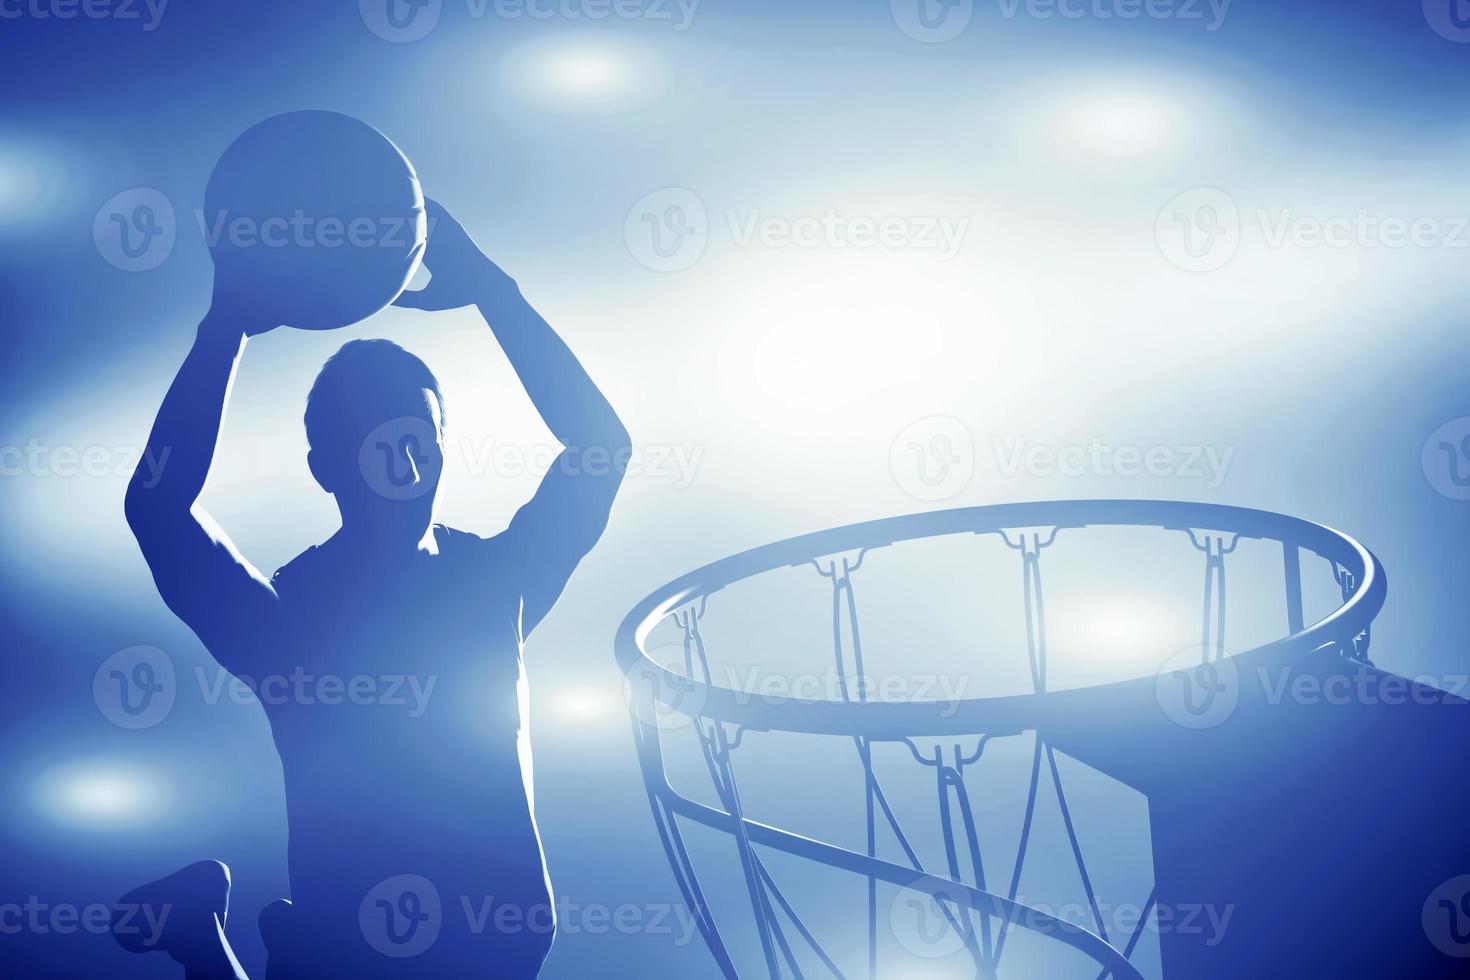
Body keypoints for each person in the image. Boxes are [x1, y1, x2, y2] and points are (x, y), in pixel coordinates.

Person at [115, 199, 630, 978]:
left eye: (416, 435)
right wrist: (223, 328)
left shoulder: (492, 585)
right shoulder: (295, 624)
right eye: (374, 435)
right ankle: (196, 935)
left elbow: (604, 446)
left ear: (441, 450)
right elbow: (154, 507)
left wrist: (493, 287)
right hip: (374, 952)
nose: (402, 456)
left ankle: (195, 933)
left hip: (470, 950)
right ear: (326, 467)